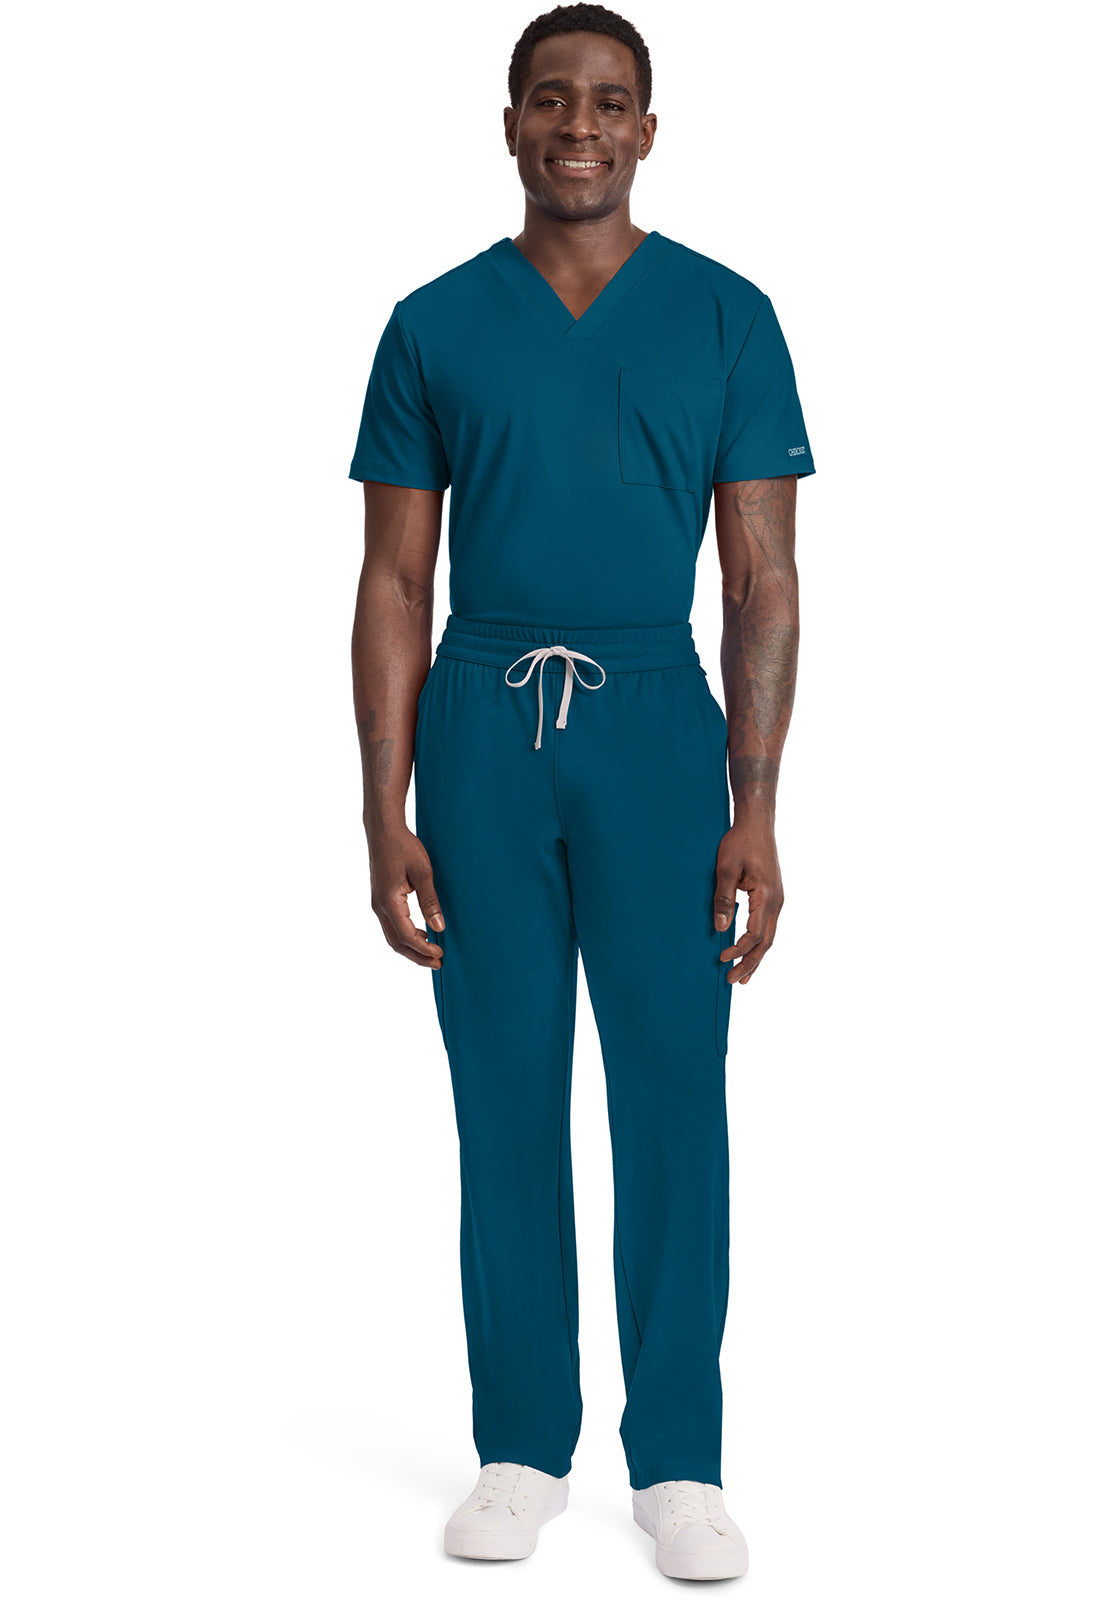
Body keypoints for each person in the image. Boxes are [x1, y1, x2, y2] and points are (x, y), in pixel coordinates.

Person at [348, 4, 815, 1581]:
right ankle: (519, 1445)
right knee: (503, 1086)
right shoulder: (433, 325)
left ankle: (677, 1457)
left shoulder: (727, 318)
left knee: (676, 1086)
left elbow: (762, 578)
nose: (579, 127)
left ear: (648, 131)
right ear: (510, 125)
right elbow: (393, 580)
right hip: (483, 720)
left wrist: (757, 804)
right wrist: (384, 808)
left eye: (610, 102)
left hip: (656, 722)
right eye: (550, 99)